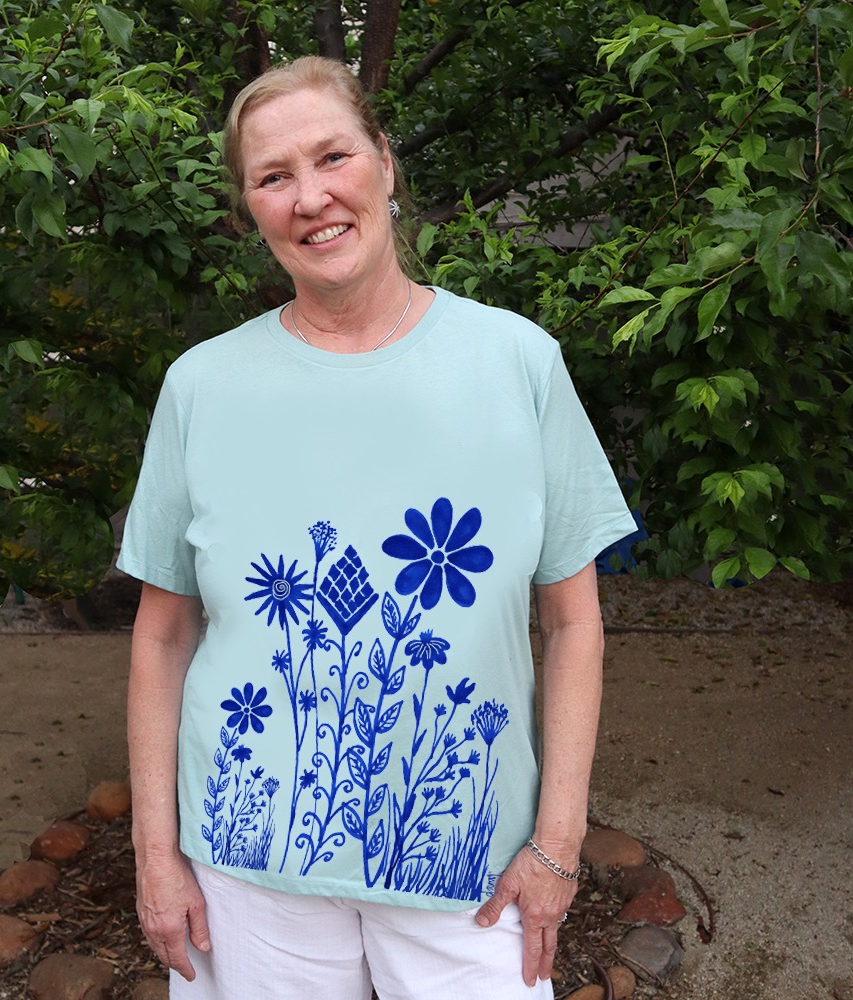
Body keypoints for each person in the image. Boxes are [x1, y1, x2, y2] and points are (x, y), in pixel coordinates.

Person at [118, 55, 637, 1000]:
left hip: (469, 869)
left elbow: (572, 622)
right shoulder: (200, 387)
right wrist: (157, 856)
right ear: (249, 209)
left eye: (333, 157)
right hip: (246, 870)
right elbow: (161, 636)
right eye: (273, 177)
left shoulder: (518, 364)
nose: (311, 197)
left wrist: (558, 845)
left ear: (386, 162)